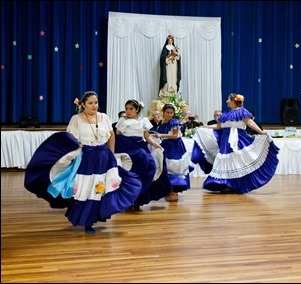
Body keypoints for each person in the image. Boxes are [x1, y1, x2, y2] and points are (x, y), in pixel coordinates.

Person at [24, 91, 142, 234]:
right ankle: (86, 219)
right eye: (91, 103)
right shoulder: (76, 119)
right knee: (86, 189)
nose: (94, 105)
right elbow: (71, 140)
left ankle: (91, 220)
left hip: (104, 157)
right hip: (86, 159)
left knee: (101, 188)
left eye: (96, 102)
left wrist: (111, 154)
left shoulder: (104, 117)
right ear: (83, 105)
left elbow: (111, 136)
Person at [193, 93, 280, 194]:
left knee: (236, 161)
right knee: (226, 161)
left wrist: (260, 132)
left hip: (238, 140)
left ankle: (235, 185)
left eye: (228, 100)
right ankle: (226, 184)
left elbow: (250, 123)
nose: (227, 101)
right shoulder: (225, 114)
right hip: (225, 143)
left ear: (234, 101)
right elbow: (218, 126)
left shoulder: (242, 112)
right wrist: (203, 127)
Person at [115, 99, 172, 208]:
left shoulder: (144, 121)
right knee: (131, 172)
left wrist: (156, 145)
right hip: (127, 148)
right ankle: (128, 198)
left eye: (131, 109)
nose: (128, 111)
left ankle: (138, 198)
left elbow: (147, 137)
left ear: (136, 110)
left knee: (150, 167)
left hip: (140, 146)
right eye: (126, 109)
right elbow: (118, 135)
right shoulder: (122, 121)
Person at [153, 103, 193, 201]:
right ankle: (168, 190)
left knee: (174, 167)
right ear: (163, 112)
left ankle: (175, 191)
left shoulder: (174, 122)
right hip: (166, 146)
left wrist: (161, 135)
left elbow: (175, 136)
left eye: (171, 113)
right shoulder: (162, 123)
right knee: (166, 167)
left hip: (175, 146)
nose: (169, 114)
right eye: (167, 112)